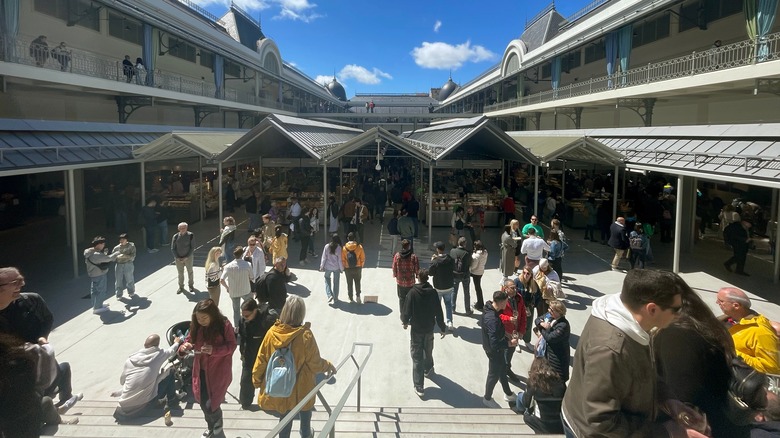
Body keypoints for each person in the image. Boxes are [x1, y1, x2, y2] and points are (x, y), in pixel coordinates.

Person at [562, 269, 708, 438]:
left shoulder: (624, 317)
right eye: (676, 309)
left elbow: (639, 372)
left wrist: (669, 400)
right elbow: (600, 422)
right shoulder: (611, 351)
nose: (679, 315)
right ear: (652, 309)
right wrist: (667, 431)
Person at [656, 284, 755, 438]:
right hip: (726, 418)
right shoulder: (710, 325)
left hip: (704, 423)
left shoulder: (676, 333)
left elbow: (681, 390)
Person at [252, 296, 336, 438]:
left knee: (284, 420)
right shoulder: (305, 335)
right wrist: (328, 366)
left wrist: (257, 380)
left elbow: (261, 359)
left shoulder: (272, 333)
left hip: (282, 386)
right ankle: (306, 435)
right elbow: (315, 363)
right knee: (305, 417)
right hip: (303, 387)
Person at [178, 299, 236, 438]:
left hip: (218, 371)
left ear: (213, 315)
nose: (201, 321)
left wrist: (214, 350)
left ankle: (218, 430)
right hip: (200, 370)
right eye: (198, 318)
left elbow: (232, 346)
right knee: (203, 402)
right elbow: (188, 340)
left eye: (204, 318)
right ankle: (211, 428)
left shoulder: (224, 325)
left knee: (212, 404)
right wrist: (184, 347)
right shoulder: (196, 326)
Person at [113, 334, 181, 419]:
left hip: (122, 408)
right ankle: (172, 399)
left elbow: (122, 382)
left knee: (153, 378)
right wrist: (177, 342)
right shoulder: (158, 355)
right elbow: (171, 350)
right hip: (142, 407)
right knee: (170, 372)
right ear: (157, 345)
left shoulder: (130, 361)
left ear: (144, 345)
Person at [402, 269, 447, 397]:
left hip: (416, 329)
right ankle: (428, 369)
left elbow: (406, 310)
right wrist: (442, 327)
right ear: (427, 279)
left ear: (417, 277)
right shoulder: (433, 293)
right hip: (429, 328)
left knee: (417, 357)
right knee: (428, 350)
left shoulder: (412, 293)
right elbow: (438, 311)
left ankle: (419, 385)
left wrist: (405, 321)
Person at [716, 287, 780, 374]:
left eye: (721, 301)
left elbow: (771, 368)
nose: (717, 303)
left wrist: (733, 353)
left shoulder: (760, 332)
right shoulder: (728, 318)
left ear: (736, 306)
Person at [238, 299, 277, 410]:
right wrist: (242, 352)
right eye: (243, 315)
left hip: (265, 358)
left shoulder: (267, 321)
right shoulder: (242, 320)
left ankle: (270, 404)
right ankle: (245, 404)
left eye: (247, 315)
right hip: (248, 357)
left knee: (267, 383)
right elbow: (242, 338)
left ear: (255, 310)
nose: (244, 318)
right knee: (245, 382)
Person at [482, 290, 518, 407]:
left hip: (495, 349)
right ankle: (487, 398)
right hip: (494, 351)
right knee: (493, 374)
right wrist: (509, 343)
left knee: (502, 369)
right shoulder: (492, 320)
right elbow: (494, 344)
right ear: (501, 302)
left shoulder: (489, 307)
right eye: (506, 302)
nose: (507, 304)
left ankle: (508, 393)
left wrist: (505, 334)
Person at [516, 357, 566, 434]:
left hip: (542, 424)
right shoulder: (561, 383)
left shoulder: (534, 383)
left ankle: (519, 412)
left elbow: (526, 404)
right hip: (558, 424)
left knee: (520, 396)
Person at [533, 300, 570, 382]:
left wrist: (541, 328)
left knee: (555, 380)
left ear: (559, 312)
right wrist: (542, 324)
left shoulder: (563, 325)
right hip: (546, 353)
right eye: (549, 308)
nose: (549, 310)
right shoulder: (549, 316)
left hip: (557, 358)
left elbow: (550, 338)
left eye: (552, 310)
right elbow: (537, 320)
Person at [499, 279, 526, 383]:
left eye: (515, 287)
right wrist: (508, 319)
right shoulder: (500, 299)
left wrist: (522, 331)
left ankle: (507, 369)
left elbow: (523, 315)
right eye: (512, 288)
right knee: (505, 354)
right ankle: (505, 373)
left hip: (514, 332)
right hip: (504, 332)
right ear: (506, 289)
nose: (515, 289)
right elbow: (496, 315)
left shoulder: (518, 298)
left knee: (510, 353)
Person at [220, 246, 253, 330]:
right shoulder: (247, 265)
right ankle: (248, 323)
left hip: (234, 291)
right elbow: (252, 277)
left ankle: (237, 327)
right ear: (242, 254)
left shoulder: (228, 266)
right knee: (248, 308)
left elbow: (222, 280)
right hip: (245, 290)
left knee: (236, 310)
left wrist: (227, 288)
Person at [84, 236, 119, 314]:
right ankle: (98, 307)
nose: (104, 245)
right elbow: (107, 258)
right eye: (102, 244)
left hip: (93, 275)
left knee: (94, 291)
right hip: (99, 274)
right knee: (101, 291)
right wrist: (116, 253)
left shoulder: (89, 252)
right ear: (98, 244)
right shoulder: (96, 254)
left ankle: (95, 305)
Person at [516, 265, 546, 350]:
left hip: (529, 308)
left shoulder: (534, 284)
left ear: (531, 275)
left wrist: (534, 305)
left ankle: (527, 341)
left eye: (528, 273)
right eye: (524, 273)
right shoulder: (517, 282)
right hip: (518, 307)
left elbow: (538, 295)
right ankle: (517, 342)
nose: (525, 275)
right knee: (517, 324)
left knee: (528, 324)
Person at [429, 240, 455, 331]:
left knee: (437, 305)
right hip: (449, 286)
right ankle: (450, 322)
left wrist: (432, 261)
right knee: (448, 305)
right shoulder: (450, 259)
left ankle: (437, 321)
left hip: (438, 287)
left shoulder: (435, 261)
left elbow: (430, 273)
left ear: (437, 249)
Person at [393, 239, 419, 321]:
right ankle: (410, 315)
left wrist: (395, 275)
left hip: (400, 282)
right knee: (411, 299)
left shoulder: (397, 256)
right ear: (409, 246)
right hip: (410, 282)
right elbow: (417, 269)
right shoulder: (413, 256)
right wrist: (417, 276)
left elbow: (394, 267)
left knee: (402, 299)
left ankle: (403, 316)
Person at [450, 236, 473, 316]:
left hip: (454, 274)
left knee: (454, 292)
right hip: (465, 275)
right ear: (465, 244)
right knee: (466, 292)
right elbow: (470, 264)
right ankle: (467, 310)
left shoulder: (452, 251)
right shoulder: (467, 253)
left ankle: (452, 308)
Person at [319, 234, 344, 305]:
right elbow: (340, 260)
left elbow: (324, 257)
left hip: (328, 267)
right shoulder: (339, 248)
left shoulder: (327, 246)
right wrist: (341, 269)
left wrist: (321, 266)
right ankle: (336, 298)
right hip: (336, 268)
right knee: (336, 282)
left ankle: (329, 295)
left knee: (327, 279)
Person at [342, 232, 366, 303]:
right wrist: (361, 266)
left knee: (349, 283)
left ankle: (350, 297)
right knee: (357, 282)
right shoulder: (359, 247)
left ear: (347, 238)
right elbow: (363, 258)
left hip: (348, 268)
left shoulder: (344, 248)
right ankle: (358, 296)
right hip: (357, 267)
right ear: (355, 238)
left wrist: (345, 266)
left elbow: (342, 259)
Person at [171, 222, 195, 294]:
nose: (182, 229)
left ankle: (191, 285)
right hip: (178, 258)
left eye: (184, 228)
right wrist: (177, 257)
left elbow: (192, 247)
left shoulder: (190, 235)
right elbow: (173, 248)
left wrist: (187, 257)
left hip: (188, 257)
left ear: (186, 228)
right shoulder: (175, 236)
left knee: (190, 271)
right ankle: (181, 287)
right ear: (178, 229)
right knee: (180, 273)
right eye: (180, 228)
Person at [113, 233, 137, 299]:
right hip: (119, 264)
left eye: (123, 239)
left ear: (126, 240)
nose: (121, 241)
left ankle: (131, 291)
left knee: (129, 278)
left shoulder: (131, 246)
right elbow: (112, 258)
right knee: (118, 280)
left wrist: (125, 256)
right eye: (120, 240)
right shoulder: (116, 248)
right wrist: (116, 256)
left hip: (128, 263)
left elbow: (133, 256)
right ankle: (119, 294)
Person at [470, 240, 488, 311]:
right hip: (481, 271)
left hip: (475, 273)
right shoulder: (485, 252)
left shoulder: (476, 255)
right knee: (478, 287)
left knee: (477, 288)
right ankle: (480, 303)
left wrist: (470, 269)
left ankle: (480, 304)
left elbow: (474, 266)